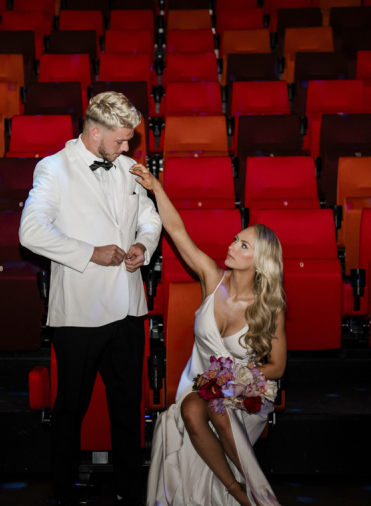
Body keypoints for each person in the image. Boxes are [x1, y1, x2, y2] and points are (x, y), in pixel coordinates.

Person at [19, 92, 162, 506]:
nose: (127, 148)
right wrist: (89, 252)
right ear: (94, 131)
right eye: (120, 140)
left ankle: (130, 493)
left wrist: (142, 243)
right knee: (69, 412)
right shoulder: (53, 168)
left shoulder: (127, 167)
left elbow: (149, 216)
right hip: (78, 315)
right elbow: (30, 232)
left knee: (127, 411)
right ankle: (64, 495)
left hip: (129, 311)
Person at [130, 165, 287, 506]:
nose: (232, 246)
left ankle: (251, 491)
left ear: (259, 261)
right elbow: (176, 231)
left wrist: (235, 379)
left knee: (211, 406)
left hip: (248, 390)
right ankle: (241, 493)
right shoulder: (211, 278)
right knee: (193, 407)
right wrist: (156, 187)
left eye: (243, 245)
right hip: (198, 382)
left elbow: (276, 368)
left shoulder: (269, 306)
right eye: (236, 239)